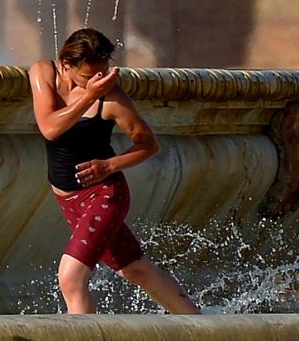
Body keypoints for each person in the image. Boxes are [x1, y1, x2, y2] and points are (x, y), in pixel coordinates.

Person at [29, 28, 200, 315]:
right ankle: (200, 327)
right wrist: (88, 96)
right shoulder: (43, 72)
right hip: (69, 200)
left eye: (103, 71)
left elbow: (149, 144)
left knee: (71, 279)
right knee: (134, 269)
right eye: (89, 76)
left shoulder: (110, 98)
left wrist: (109, 165)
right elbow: (49, 127)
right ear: (65, 64)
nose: (98, 80)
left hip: (104, 195)